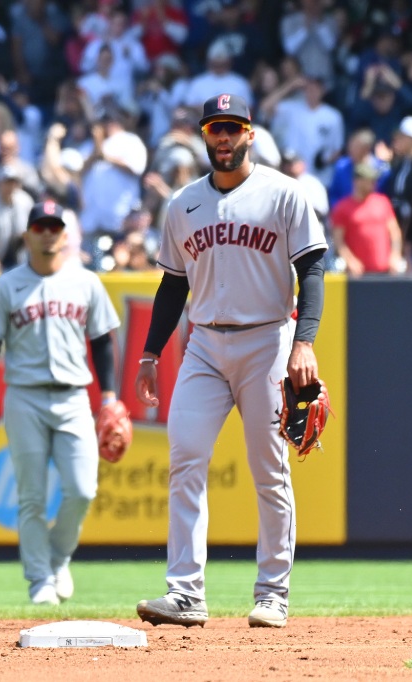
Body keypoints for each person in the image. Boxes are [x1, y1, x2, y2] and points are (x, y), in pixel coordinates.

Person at [135, 94, 327, 630]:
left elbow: (312, 271)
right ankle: (186, 595)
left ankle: (272, 593)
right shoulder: (182, 204)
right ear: (203, 136)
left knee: (269, 469)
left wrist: (303, 343)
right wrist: (151, 352)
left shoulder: (284, 194)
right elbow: (172, 285)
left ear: (250, 133)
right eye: (214, 128)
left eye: (232, 128)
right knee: (185, 459)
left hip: (268, 340)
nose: (223, 137)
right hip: (204, 343)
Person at [0, 199, 121, 606]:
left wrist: (108, 396)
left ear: (65, 233)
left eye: (54, 226)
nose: (47, 233)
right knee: (32, 496)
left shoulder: (86, 282)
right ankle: (40, 578)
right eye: (40, 227)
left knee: (83, 490)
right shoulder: (8, 284)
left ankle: (58, 559)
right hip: (24, 396)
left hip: (74, 397)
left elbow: (102, 342)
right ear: (27, 235)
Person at [329, 162, 404, 276]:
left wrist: (395, 255)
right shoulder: (342, 207)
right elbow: (338, 240)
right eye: (369, 180)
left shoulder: (383, 202)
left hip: (386, 271)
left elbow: (394, 231)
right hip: (358, 274)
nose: (373, 184)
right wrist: (350, 260)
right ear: (357, 181)